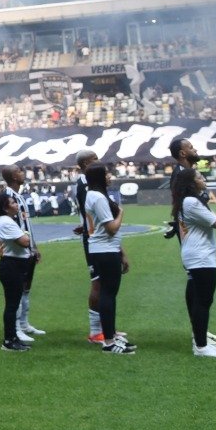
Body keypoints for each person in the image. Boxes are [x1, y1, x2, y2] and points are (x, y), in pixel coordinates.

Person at [173, 167, 216, 358]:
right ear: (191, 183)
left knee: (199, 300)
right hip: (201, 256)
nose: (203, 179)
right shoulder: (191, 202)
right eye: (199, 177)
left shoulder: (186, 201)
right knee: (203, 301)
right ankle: (202, 347)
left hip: (196, 254)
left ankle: (200, 340)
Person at [83, 164, 135, 355]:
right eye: (106, 173)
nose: (109, 176)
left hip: (104, 249)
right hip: (104, 250)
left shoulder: (93, 195)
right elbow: (111, 228)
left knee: (108, 294)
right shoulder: (97, 197)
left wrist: (121, 252)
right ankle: (109, 341)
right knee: (108, 294)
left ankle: (110, 336)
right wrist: (121, 213)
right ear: (99, 177)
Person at [0, 166, 44, 341]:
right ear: (13, 176)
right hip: (16, 253)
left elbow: (26, 226)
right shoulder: (8, 197)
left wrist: (34, 247)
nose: (23, 173)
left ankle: (23, 323)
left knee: (26, 288)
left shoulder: (19, 197)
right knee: (16, 291)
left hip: (27, 249)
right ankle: (15, 328)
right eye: (20, 171)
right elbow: (4, 226)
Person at [70, 149, 107, 343]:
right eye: (95, 159)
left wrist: (84, 224)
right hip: (94, 239)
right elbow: (90, 211)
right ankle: (95, 331)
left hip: (94, 235)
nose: (98, 161)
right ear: (84, 164)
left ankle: (107, 328)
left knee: (105, 283)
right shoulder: (85, 184)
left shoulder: (89, 182)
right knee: (98, 282)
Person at [0, 191, 33, 351]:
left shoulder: (6, 220)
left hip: (13, 264)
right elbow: (24, 242)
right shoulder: (6, 222)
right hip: (12, 265)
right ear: (5, 207)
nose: (16, 204)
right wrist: (26, 234)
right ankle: (9, 340)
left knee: (13, 304)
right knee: (12, 305)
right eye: (13, 202)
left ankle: (13, 337)